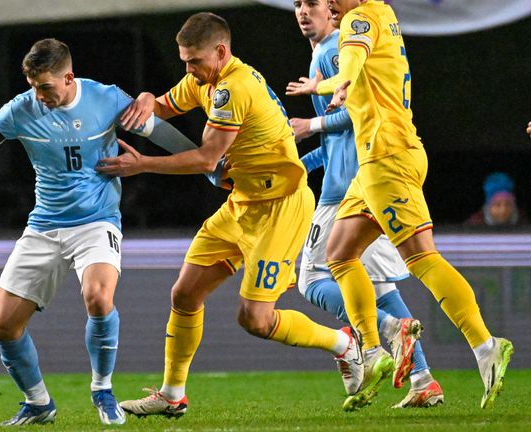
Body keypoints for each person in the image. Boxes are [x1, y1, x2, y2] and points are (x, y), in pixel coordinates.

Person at [0, 38, 203, 426]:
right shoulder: (21, 109)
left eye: (45, 87)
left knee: (98, 297)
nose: (38, 95)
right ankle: (38, 403)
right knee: (3, 325)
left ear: (68, 77)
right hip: (44, 225)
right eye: (31, 86)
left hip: (96, 221)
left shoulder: (106, 99)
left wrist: (209, 165)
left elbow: (160, 133)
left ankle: (102, 390)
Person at [98, 12, 361, 418]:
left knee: (255, 319)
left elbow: (206, 158)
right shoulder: (207, 78)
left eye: (194, 61)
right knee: (185, 294)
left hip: (280, 208)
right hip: (243, 203)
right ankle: (172, 395)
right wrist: (150, 98)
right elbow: (167, 106)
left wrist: (142, 165)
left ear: (221, 52)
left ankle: (345, 344)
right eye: (184, 60)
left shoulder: (232, 89)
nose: (188, 69)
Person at [285, 0, 513, 410]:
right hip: (376, 163)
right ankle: (374, 350)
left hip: (387, 159)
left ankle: (485, 345)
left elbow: (352, 64)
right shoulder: (385, 13)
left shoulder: (357, 20)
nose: (329, 3)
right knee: (340, 255)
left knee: (422, 259)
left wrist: (329, 86)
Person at [290, 0, 442, 408]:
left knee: (309, 280)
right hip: (364, 178)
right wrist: (300, 166)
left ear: (332, 8)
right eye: (298, 4)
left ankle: (385, 333)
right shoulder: (329, 48)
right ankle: (423, 380)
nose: (305, 11)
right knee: (379, 285)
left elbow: (354, 115)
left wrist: (312, 125)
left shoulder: (336, 48)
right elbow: (335, 141)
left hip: (349, 188)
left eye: (314, 3)